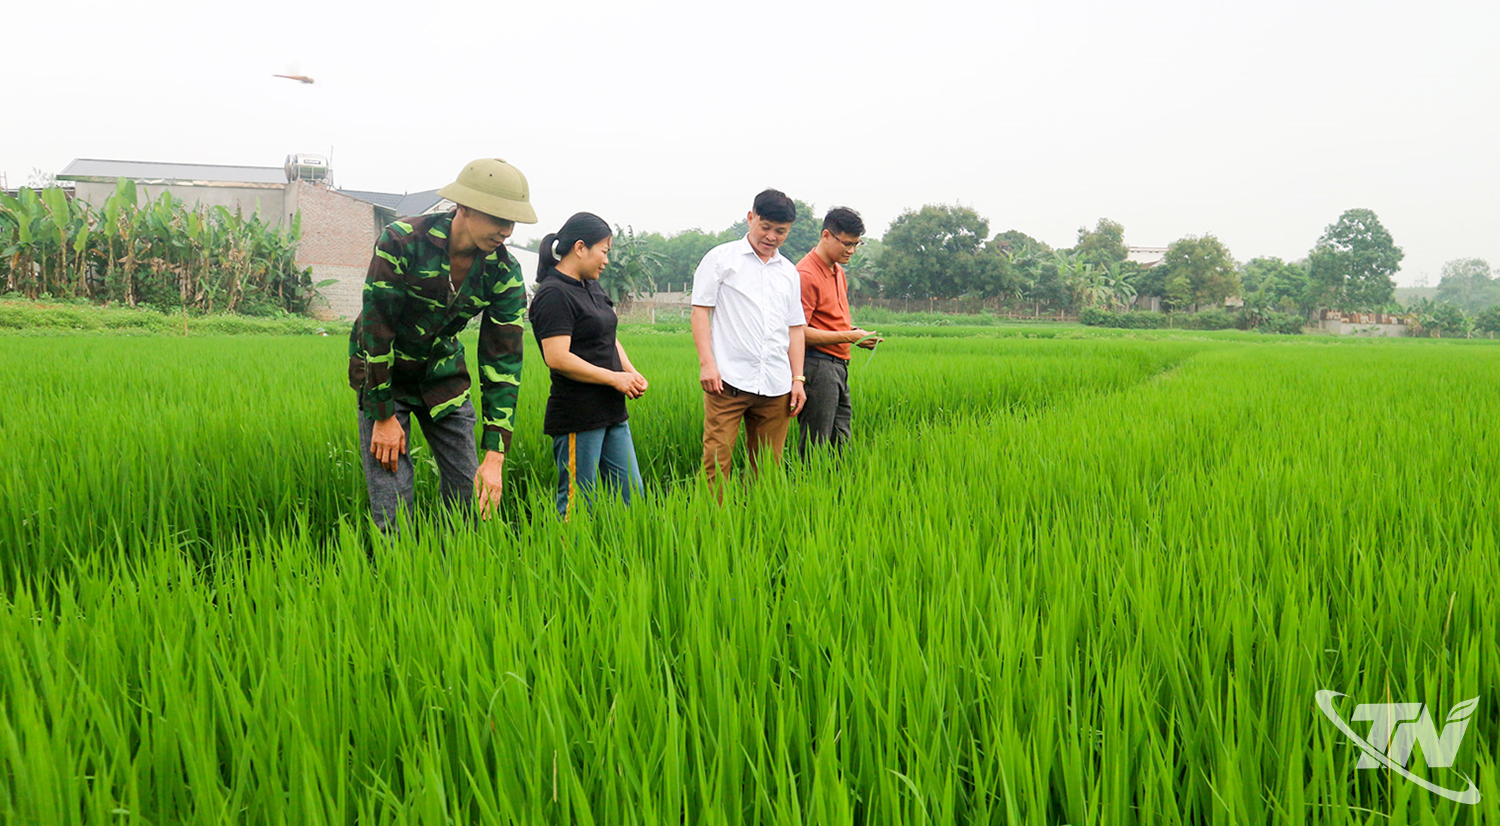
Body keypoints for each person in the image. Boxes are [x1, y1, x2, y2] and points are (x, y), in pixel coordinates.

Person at [347, 158, 536, 530]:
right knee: (393, 505)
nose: (507, 231)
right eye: (499, 219)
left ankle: (455, 574)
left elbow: (504, 360)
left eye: (513, 222)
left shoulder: (504, 272)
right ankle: (397, 577)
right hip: (385, 377)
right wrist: (383, 414)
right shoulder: (401, 241)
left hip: (442, 376)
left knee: (471, 498)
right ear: (464, 207)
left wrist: (495, 454)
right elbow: (377, 326)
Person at [529, 212, 648, 519]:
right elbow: (557, 357)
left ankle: (626, 559)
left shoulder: (591, 286)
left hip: (611, 411)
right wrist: (613, 378)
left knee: (631, 497)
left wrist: (629, 372)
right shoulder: (554, 293)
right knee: (578, 503)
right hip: (578, 416)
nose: (606, 261)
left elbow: (608, 336)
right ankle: (568, 563)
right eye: (604, 252)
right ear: (580, 248)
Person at [690, 189, 808, 489]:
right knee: (717, 462)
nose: (771, 237)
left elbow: (795, 328)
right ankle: (716, 526)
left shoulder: (788, 273)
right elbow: (700, 312)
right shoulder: (721, 258)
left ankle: (757, 527)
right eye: (765, 227)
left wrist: (798, 380)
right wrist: (707, 365)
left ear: (789, 230)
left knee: (767, 470)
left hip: (776, 385)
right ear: (750, 217)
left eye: (780, 231)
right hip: (727, 381)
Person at [795, 207, 883, 456]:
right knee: (816, 445)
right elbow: (799, 332)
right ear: (826, 235)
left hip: (838, 365)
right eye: (846, 243)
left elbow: (830, 322)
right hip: (817, 366)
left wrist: (857, 334)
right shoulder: (805, 274)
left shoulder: (838, 272)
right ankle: (809, 491)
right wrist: (848, 336)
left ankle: (835, 491)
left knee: (841, 441)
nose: (851, 251)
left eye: (856, 244)